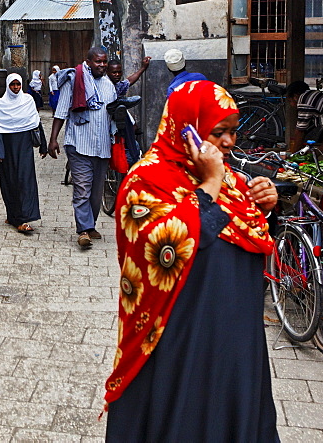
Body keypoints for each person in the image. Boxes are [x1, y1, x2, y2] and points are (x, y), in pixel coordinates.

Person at [105, 80, 278, 441]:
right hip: (180, 342)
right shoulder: (146, 182)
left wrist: (262, 207)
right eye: (219, 133)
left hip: (232, 343)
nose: (229, 143)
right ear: (187, 129)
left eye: (233, 132)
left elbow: (248, 237)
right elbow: (171, 249)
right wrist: (211, 184)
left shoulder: (228, 179)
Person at [48, 46, 118, 249]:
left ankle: (91, 224)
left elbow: (113, 114)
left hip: (102, 147)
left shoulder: (108, 86)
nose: (102, 66)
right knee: (82, 189)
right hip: (78, 144)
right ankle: (83, 230)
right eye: (98, 62)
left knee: (96, 193)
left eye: (105, 62)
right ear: (88, 62)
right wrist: (53, 139)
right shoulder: (75, 81)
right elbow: (61, 111)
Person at [0, 73, 47, 233]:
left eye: (18, 84)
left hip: (24, 147)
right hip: (8, 150)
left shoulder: (28, 101)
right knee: (9, 181)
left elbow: (35, 122)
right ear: (8, 85)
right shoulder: (1, 104)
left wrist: (43, 145)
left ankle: (23, 219)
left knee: (24, 181)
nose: (15, 87)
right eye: (12, 85)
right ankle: (12, 215)